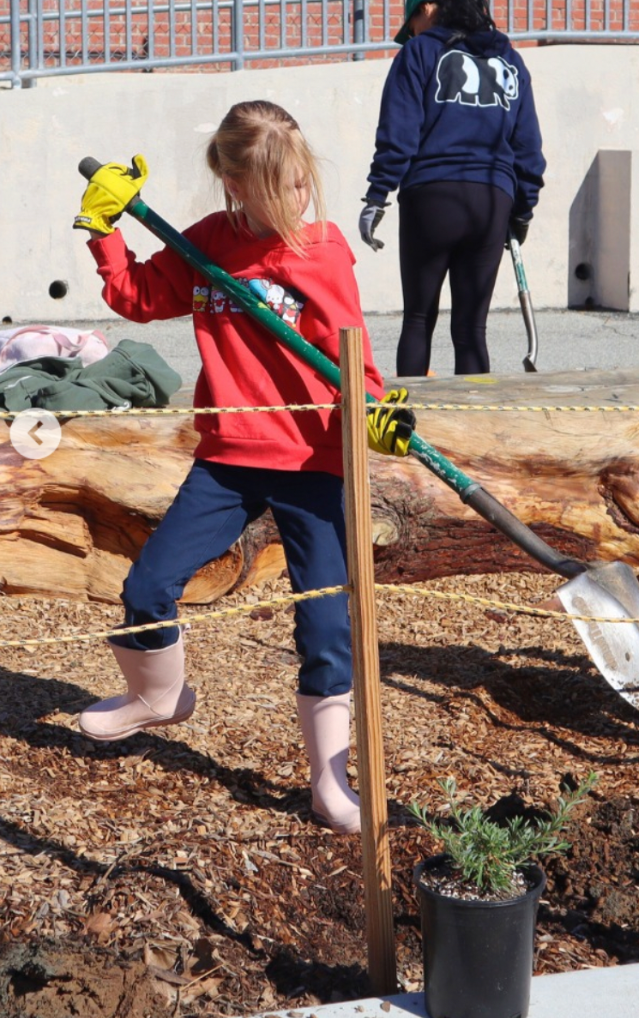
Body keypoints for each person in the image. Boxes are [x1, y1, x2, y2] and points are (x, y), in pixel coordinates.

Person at [72, 100, 415, 834]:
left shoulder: (321, 255)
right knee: (148, 584)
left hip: (312, 461)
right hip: (228, 460)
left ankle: (331, 783)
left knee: (325, 628)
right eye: (276, 186)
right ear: (234, 184)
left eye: (300, 182)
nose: (296, 198)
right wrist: (102, 233)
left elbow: (356, 360)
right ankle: (158, 698)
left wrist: (379, 414)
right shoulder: (207, 246)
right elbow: (135, 296)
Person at [358, 0, 546, 376]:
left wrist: (377, 196)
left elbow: (399, 132)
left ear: (427, 10)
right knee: (472, 329)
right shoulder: (510, 59)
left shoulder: (418, 54)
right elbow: (527, 145)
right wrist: (523, 208)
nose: (411, 32)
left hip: (432, 197)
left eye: (411, 22)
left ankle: (406, 432)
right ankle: (474, 430)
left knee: (418, 320)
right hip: (492, 200)